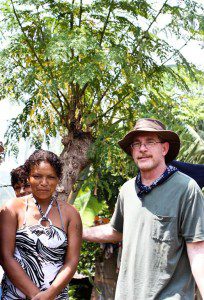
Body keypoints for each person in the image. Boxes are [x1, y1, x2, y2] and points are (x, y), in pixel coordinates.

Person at [83, 118, 204, 300]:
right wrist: (78, 231)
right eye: (137, 144)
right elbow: (116, 231)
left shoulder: (186, 188)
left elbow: (197, 251)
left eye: (150, 142)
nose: (142, 149)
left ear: (164, 149)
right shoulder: (127, 190)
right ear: (132, 151)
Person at [0, 149, 82, 300]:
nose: (44, 183)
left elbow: (72, 261)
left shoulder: (71, 214)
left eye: (51, 177)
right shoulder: (12, 208)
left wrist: (50, 294)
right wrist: (36, 295)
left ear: (58, 179)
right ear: (28, 177)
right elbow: (5, 256)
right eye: (37, 176)